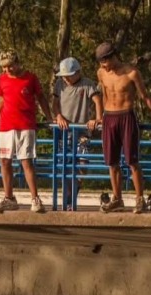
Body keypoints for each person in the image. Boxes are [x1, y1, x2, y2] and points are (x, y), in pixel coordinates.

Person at [95, 40, 151, 214]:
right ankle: (117, 199)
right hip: (109, 119)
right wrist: (100, 117)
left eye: (105, 62)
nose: (104, 66)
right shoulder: (101, 73)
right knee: (112, 163)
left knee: (132, 161)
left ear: (114, 56)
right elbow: (104, 95)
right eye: (101, 63)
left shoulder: (131, 73)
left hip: (126, 117)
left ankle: (140, 199)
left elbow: (145, 97)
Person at [0, 49, 54, 214]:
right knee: (4, 161)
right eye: (4, 68)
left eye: (9, 67)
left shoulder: (30, 78)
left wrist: (50, 117)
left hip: (25, 126)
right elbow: (2, 98)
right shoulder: (2, 79)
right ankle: (9, 198)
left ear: (17, 63)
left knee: (26, 162)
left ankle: (35, 199)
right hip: (6, 126)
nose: (7, 70)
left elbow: (41, 97)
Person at [52, 56, 103, 210]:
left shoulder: (87, 84)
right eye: (64, 76)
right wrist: (58, 116)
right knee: (65, 168)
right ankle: (67, 201)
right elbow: (54, 104)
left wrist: (97, 119)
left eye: (69, 75)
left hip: (82, 134)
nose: (66, 78)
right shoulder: (59, 84)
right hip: (64, 133)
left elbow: (97, 101)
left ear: (78, 73)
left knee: (81, 167)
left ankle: (71, 196)